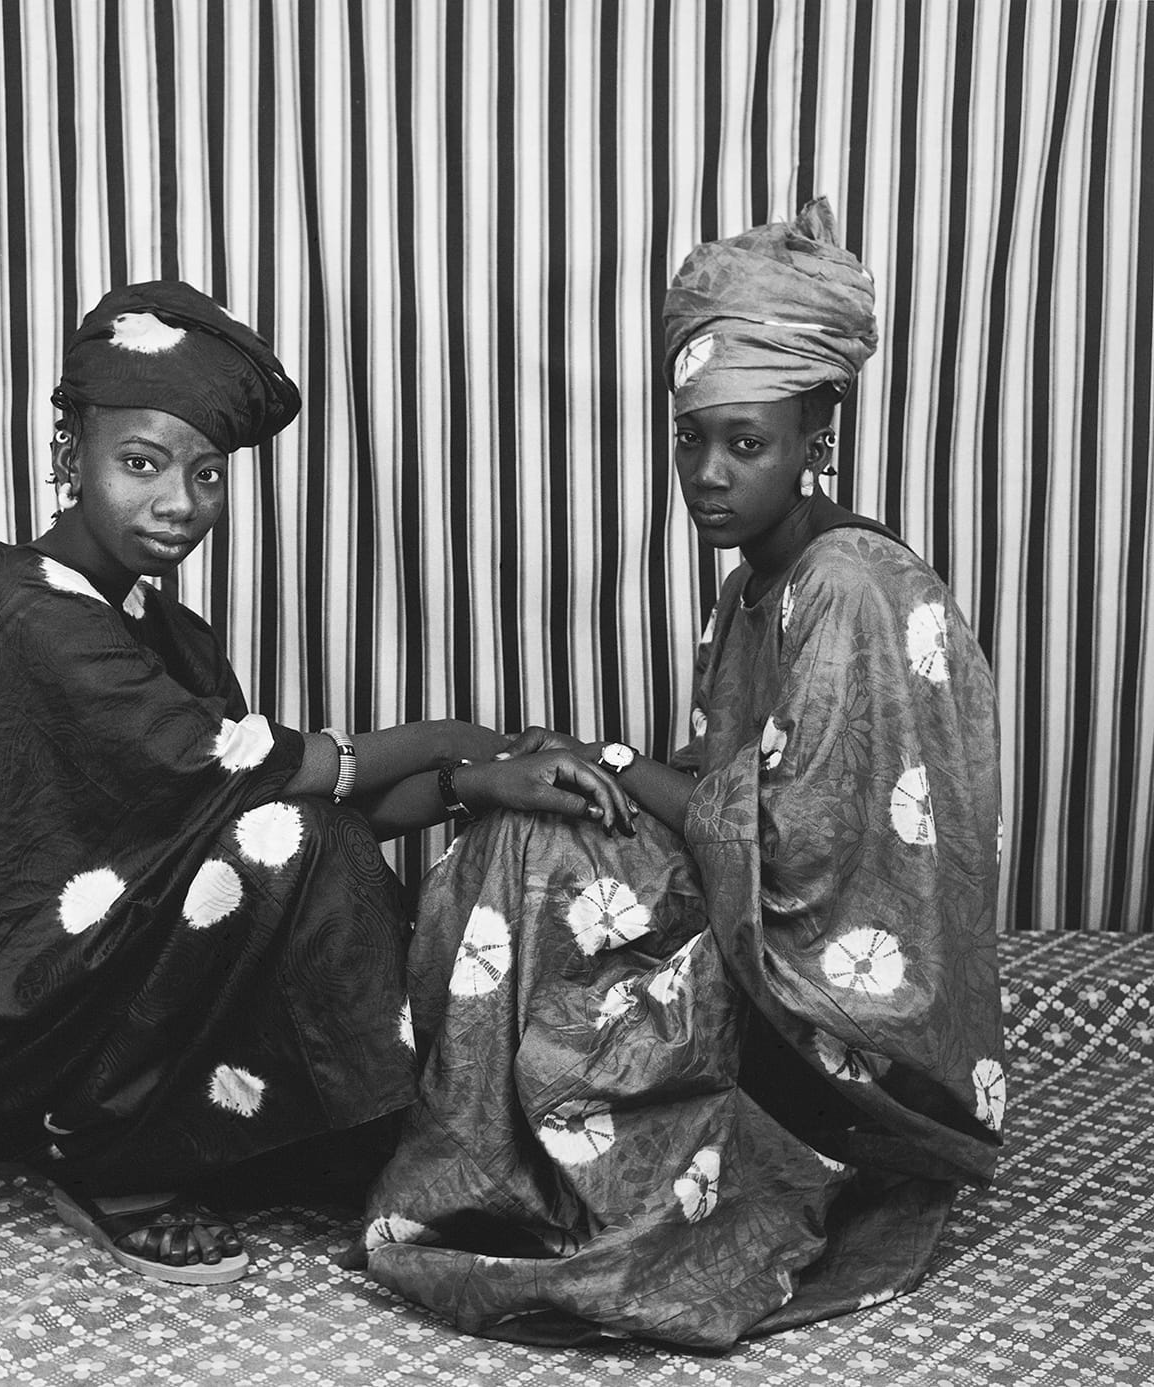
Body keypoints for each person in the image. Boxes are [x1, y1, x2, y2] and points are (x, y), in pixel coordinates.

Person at [0, 281, 634, 1286]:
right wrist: (467, 738)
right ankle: (107, 1160)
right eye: (139, 463)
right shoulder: (22, 612)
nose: (177, 504)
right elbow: (280, 783)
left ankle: (358, 1121)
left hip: (57, 1011)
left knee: (299, 835)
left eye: (205, 475)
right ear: (68, 454)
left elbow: (284, 803)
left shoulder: (165, 634)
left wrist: (479, 783)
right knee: (295, 837)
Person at [352, 200, 1005, 1347]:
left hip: (838, 1029)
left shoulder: (848, 588)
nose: (707, 473)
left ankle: (534, 1175)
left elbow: (796, 863)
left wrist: (594, 758)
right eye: (688, 438)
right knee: (527, 832)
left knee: (543, 839)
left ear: (816, 441)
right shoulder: (752, 582)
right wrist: (552, 769)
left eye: (744, 443)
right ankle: (500, 1169)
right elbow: (716, 791)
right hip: (753, 924)